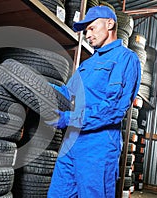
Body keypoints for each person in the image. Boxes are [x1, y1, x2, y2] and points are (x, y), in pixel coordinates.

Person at [46, 6, 141, 198]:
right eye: (85, 30)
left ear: (110, 24)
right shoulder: (87, 64)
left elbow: (113, 109)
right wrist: (38, 86)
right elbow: (67, 93)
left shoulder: (125, 58)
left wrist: (68, 118)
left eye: (91, 28)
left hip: (98, 147)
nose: (87, 34)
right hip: (71, 144)